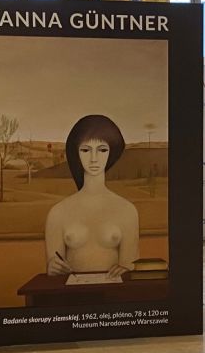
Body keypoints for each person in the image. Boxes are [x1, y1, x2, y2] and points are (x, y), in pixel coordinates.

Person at [45, 115, 140, 278]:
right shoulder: (57, 213)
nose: (94, 159)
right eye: (85, 150)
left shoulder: (127, 210)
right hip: (72, 292)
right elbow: (53, 270)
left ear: (111, 153)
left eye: (102, 150)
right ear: (76, 153)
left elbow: (130, 267)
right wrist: (53, 266)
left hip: (114, 292)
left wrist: (127, 269)